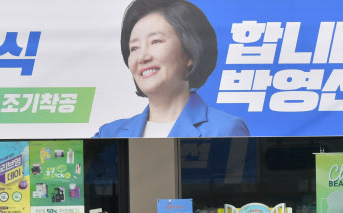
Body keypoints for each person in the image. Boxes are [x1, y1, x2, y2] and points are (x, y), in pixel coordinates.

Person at [94, 0, 249, 138]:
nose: (142, 57)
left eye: (155, 41)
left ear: (190, 53)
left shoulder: (225, 130)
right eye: (134, 48)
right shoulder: (108, 135)